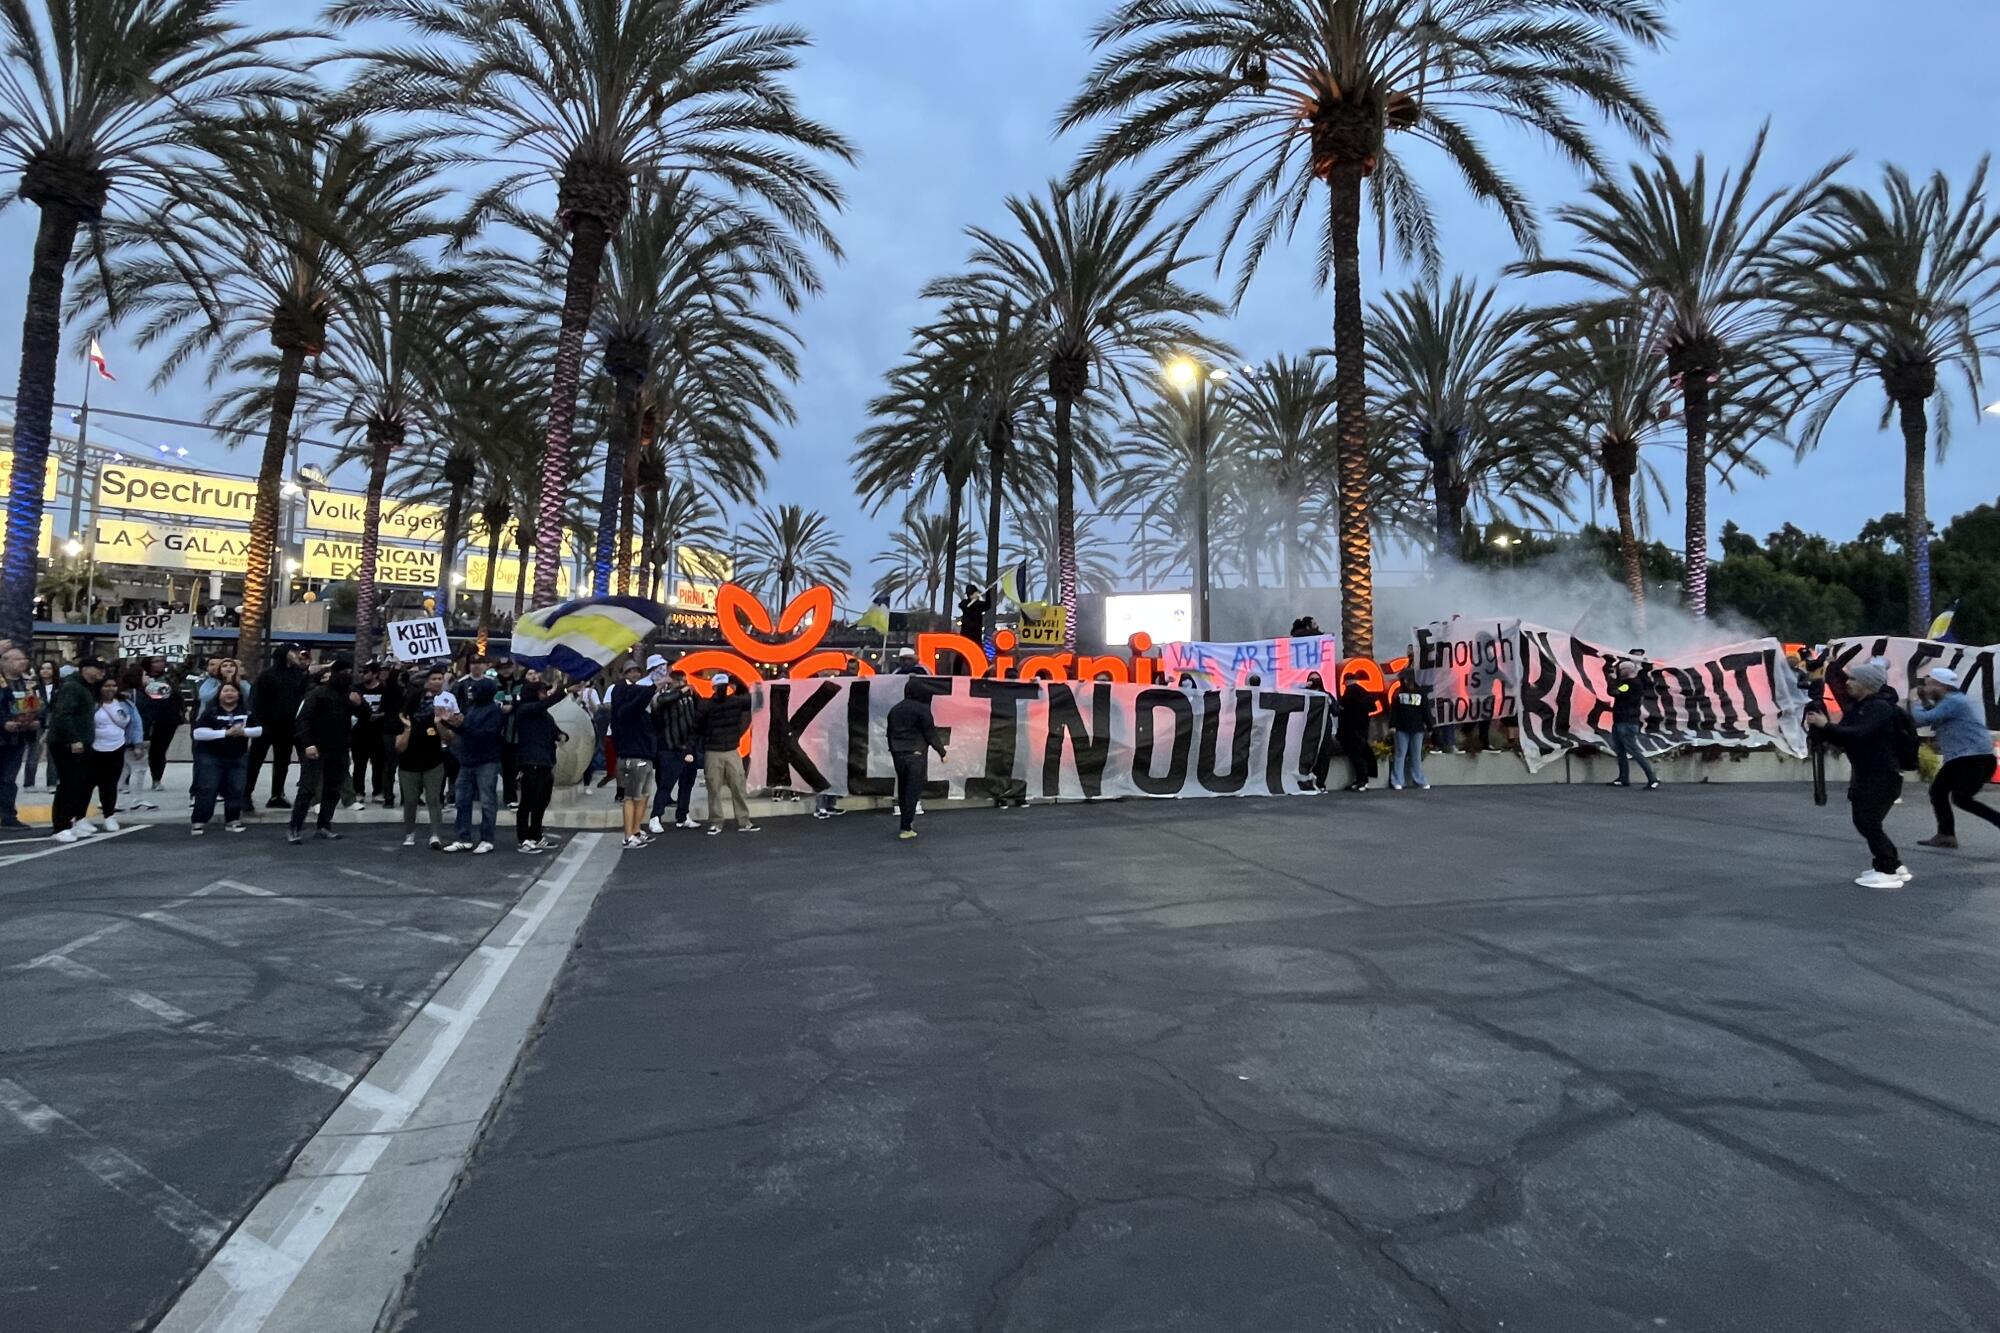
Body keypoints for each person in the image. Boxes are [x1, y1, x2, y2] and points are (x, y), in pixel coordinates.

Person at [1807, 660, 1912, 889]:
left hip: (1882, 774)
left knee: (1867, 821)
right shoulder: (1859, 707)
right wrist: (1821, 728)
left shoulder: (1879, 708)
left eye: (1853, 679)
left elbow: (1859, 734)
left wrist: (1826, 727)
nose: (1848, 683)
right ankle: (1892, 864)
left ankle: (1888, 869)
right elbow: (1843, 736)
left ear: (1866, 684)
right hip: (1868, 773)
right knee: (1867, 821)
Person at [1913, 666, 2000, 850]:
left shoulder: (1954, 701)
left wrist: (1915, 701)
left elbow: (1925, 718)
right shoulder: (1953, 701)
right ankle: (1946, 835)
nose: (1926, 689)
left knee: (1941, 793)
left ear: (1939, 685)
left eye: (1928, 684)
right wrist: (1924, 700)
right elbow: (1937, 718)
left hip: (1970, 758)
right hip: (1974, 757)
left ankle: (1946, 835)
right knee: (1959, 798)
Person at [288, 657, 362, 844]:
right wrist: (308, 744)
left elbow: (366, 716)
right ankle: (295, 827)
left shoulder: (350, 695)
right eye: (342, 673)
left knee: (333, 789)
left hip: (339, 748)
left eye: (348, 673)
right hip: (317, 748)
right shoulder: (317, 693)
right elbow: (302, 719)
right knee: (307, 788)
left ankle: (323, 825)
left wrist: (359, 704)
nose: (346, 676)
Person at [442, 677, 503, 854]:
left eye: (475, 690)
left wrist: (462, 726)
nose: (471, 693)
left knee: (487, 801)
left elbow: (487, 734)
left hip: (487, 761)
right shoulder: (473, 709)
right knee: (462, 801)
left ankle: (487, 838)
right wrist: (448, 722)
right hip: (468, 760)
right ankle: (463, 837)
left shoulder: (494, 711)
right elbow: (465, 731)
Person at [189, 682, 259, 835]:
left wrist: (243, 732)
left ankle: (233, 819)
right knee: (208, 788)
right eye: (225, 691)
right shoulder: (210, 712)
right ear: (219, 694)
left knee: (236, 788)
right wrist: (225, 733)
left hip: (238, 756)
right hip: (210, 756)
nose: (229, 694)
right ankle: (199, 821)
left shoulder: (246, 712)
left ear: (239, 694)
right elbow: (198, 733)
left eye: (233, 691)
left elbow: (259, 730)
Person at [395, 669, 451, 849]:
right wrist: (408, 729)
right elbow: (399, 747)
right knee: (410, 800)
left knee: (434, 799)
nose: (428, 699)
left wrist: (439, 723)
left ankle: (435, 835)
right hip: (408, 763)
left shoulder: (439, 710)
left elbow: (448, 738)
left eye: (439, 679)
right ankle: (409, 832)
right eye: (424, 697)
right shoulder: (404, 717)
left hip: (433, 761)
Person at [249, 644, 309, 808]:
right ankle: (246, 793)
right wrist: (257, 722)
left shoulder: (298, 675)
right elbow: (255, 700)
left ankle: (277, 794)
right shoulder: (267, 675)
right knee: (255, 760)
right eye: (294, 652)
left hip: (287, 728)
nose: (297, 655)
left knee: (282, 762)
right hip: (265, 726)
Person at [509, 675, 564, 853]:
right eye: (542, 691)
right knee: (527, 802)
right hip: (530, 761)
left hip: (546, 761)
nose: (544, 694)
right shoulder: (525, 709)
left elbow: (555, 730)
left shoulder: (544, 714)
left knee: (541, 801)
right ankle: (523, 837)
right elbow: (546, 703)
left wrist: (561, 735)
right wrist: (563, 689)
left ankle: (536, 834)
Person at [610, 661, 662, 848]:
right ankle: (628, 835)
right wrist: (655, 687)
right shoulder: (624, 708)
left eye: (636, 671)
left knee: (643, 796)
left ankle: (636, 830)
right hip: (633, 757)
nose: (634, 675)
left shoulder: (641, 711)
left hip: (644, 756)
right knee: (631, 798)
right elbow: (637, 702)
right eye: (630, 672)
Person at [698, 673, 758, 835]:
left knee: (737, 786)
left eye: (724, 686)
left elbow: (756, 701)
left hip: (729, 750)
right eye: (721, 686)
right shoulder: (711, 705)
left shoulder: (730, 702)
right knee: (714, 788)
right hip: (716, 751)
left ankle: (742, 820)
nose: (723, 689)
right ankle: (718, 821)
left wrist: (737, 682)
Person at [646, 669, 702, 834]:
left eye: (684, 680)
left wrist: (694, 694)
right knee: (666, 785)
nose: (683, 684)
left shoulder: (690, 697)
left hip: (689, 747)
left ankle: (683, 816)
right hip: (671, 748)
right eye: (680, 681)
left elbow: (699, 713)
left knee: (687, 784)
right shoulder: (663, 697)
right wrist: (681, 691)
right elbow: (660, 702)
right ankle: (655, 817)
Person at [886, 687, 946, 840]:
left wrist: (893, 749)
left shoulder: (895, 709)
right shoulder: (922, 709)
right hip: (915, 753)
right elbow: (930, 732)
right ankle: (906, 827)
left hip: (898, 753)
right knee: (913, 790)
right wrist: (941, 752)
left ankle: (904, 824)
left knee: (903, 787)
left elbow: (889, 732)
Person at [89, 675, 142, 832]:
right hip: (93, 747)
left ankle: (109, 815)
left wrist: (137, 744)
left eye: (113, 685)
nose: (110, 689)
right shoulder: (93, 704)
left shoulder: (126, 704)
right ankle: (79, 817)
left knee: (110, 784)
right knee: (87, 784)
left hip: (117, 747)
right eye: (106, 686)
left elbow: (136, 723)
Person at [1607, 658, 1661, 790]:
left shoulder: (1631, 684)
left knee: (1634, 751)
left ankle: (1652, 778)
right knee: (1621, 751)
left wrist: (1612, 679)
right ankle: (1623, 778)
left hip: (1626, 722)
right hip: (1622, 721)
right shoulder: (1631, 683)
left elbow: (1614, 691)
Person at [350, 662, 391, 810]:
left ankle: (377, 791)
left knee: (378, 763)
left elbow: (390, 708)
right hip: (360, 731)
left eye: (365, 672)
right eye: (360, 671)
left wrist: (381, 715)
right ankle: (358, 791)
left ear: (375, 673)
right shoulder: (357, 689)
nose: (362, 675)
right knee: (359, 764)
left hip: (378, 732)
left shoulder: (384, 689)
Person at [0, 645, 33, 829]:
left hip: (18, 738)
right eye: (18, 659)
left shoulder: (27, 683)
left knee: (9, 779)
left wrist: (34, 719)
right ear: (5, 662)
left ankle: (8, 816)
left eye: (24, 659)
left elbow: (32, 705)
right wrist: (3, 723)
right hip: (2, 735)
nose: (24, 662)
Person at [140, 657, 183, 792]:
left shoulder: (170, 678)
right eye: (155, 661)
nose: (159, 664)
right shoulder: (138, 677)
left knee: (158, 750)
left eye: (161, 661)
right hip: (144, 718)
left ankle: (156, 779)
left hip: (166, 719)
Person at [115, 664, 155, 811]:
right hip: (132, 740)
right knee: (138, 769)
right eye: (145, 675)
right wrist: (138, 742)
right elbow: (135, 721)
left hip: (126, 740)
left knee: (123, 770)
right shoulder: (133, 696)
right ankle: (136, 799)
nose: (149, 678)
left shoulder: (126, 695)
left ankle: (111, 801)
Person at [1387, 666, 1432, 791]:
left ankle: (1419, 780)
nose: (1405, 681)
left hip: (1417, 729)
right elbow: (1394, 711)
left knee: (1415, 755)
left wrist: (1430, 727)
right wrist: (1392, 725)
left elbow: (1426, 711)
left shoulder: (1420, 693)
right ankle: (1397, 780)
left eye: (1406, 679)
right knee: (1400, 754)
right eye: (1403, 679)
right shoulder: (1398, 693)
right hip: (1402, 728)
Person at [1336, 675, 1377, 792]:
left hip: (1351, 731)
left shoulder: (1349, 693)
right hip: (1363, 729)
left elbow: (1342, 709)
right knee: (1361, 754)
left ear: (1347, 682)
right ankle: (1362, 780)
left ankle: (1362, 780)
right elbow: (1373, 707)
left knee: (1356, 756)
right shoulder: (1364, 692)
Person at [22, 659, 58, 790]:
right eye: (43, 668)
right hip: (37, 721)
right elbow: (28, 705)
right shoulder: (33, 687)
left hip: (55, 722)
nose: (45, 671)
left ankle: (52, 783)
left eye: (48, 668)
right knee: (34, 752)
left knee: (53, 754)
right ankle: (29, 783)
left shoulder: (60, 686)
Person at [493, 658, 523, 809]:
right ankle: (507, 796)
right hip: (497, 733)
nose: (505, 671)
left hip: (516, 732)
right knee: (501, 768)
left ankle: (512, 796)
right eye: (501, 668)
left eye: (508, 667)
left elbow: (521, 701)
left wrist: (512, 706)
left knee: (513, 766)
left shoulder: (519, 684)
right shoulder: (493, 684)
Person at [1301, 670, 1336, 794]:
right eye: (1312, 679)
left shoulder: (1326, 695)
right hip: (1310, 730)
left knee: (1324, 756)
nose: (1315, 681)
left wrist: (1330, 703)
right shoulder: (1305, 694)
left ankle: (1321, 783)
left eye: (1316, 679)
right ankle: (1307, 782)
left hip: (1325, 730)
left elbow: (1336, 711)